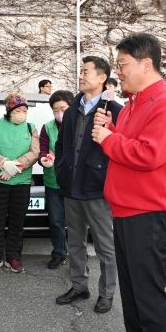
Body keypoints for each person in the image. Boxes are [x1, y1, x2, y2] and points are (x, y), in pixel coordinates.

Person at [92, 33, 166, 332]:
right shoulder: (134, 103)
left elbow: (149, 154)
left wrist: (107, 139)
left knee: (148, 293)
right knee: (131, 289)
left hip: (149, 212)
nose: (118, 72)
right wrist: (113, 131)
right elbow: (128, 145)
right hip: (127, 209)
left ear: (146, 64)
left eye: (123, 65)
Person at [54, 58, 123, 313]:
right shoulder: (72, 109)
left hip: (98, 189)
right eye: (80, 72)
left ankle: (107, 293)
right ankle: (79, 285)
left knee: (105, 246)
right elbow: (61, 144)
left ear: (102, 77)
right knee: (75, 242)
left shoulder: (115, 110)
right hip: (71, 186)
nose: (80, 76)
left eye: (85, 72)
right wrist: (60, 166)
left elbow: (120, 147)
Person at [0, 92, 40, 274]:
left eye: (25, 111)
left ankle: (13, 256)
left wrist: (16, 166)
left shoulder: (31, 128)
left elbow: (34, 152)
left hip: (21, 181)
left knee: (17, 220)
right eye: (18, 110)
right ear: (9, 111)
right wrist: (4, 164)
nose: (22, 114)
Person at [39, 90, 73, 270]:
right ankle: (59, 253)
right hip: (53, 182)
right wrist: (44, 160)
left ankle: (79, 258)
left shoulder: (79, 125)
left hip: (74, 183)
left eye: (63, 109)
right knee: (56, 221)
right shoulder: (48, 127)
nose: (59, 113)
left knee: (76, 224)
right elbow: (43, 149)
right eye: (55, 110)